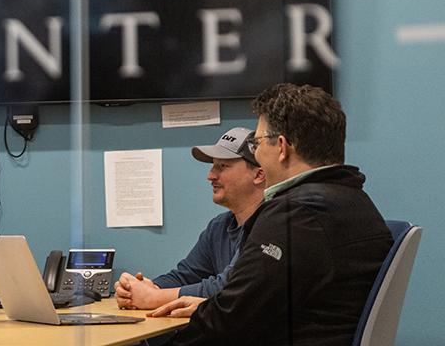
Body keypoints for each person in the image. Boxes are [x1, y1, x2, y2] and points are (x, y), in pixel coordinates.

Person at [151, 84, 393, 346]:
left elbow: (229, 320)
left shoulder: (294, 215)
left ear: (281, 147)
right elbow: (246, 305)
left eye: (256, 143)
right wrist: (209, 307)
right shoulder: (356, 203)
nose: (256, 152)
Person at [115, 127, 266, 310]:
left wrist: (153, 298)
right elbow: (185, 275)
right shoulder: (219, 226)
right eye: (213, 165)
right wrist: (139, 289)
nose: (210, 175)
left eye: (222, 166)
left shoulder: (268, 226)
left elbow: (227, 286)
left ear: (259, 174)